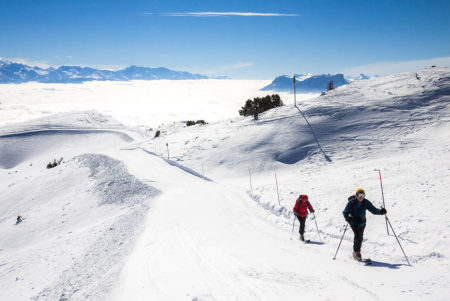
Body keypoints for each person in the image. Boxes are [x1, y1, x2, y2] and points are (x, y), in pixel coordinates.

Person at [343, 188, 387, 260]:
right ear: (356, 195)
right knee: (357, 236)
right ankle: (356, 252)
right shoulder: (351, 202)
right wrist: (347, 218)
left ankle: (357, 251)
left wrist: (381, 212)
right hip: (353, 222)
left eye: (363, 195)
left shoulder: (365, 202)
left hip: (362, 222)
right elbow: (345, 212)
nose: (361, 197)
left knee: (360, 237)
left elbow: (374, 210)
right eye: (360, 195)